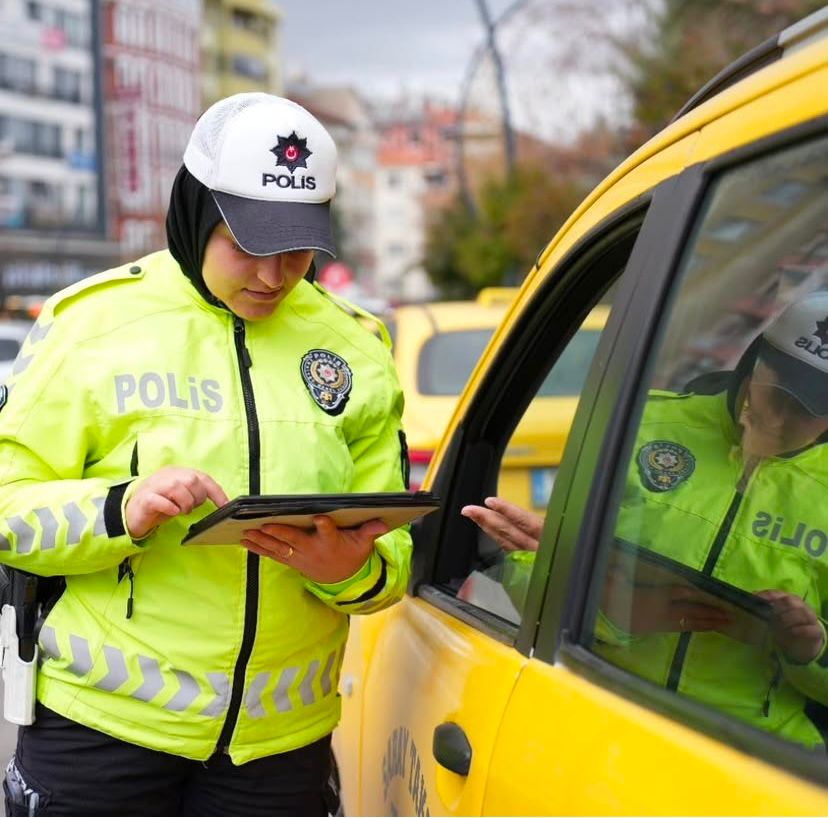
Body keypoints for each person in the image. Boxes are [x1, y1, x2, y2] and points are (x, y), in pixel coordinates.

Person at [0, 93, 411, 816]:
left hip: (278, 755)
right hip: (101, 740)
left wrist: (352, 573)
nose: (276, 275)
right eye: (249, 244)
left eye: (298, 247)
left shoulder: (356, 346)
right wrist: (119, 510)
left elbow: (391, 558)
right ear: (193, 211)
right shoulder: (89, 324)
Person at [461, 292, 828, 748]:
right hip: (607, 716)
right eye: (778, 393)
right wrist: (605, 609)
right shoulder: (644, 423)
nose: (783, 418)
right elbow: (537, 562)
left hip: (759, 756)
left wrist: (812, 651)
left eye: (812, 410)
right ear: (754, 362)